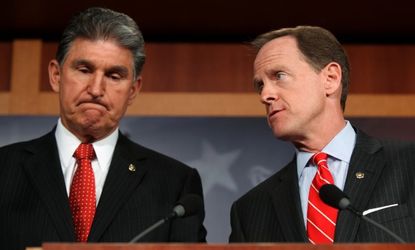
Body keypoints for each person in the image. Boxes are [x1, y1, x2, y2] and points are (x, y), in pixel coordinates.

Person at [0, 7, 206, 250]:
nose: (96, 89)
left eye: (114, 76)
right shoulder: (4, 169)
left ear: (133, 90)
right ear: (56, 76)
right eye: (84, 70)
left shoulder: (175, 184)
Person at [229, 26, 415, 243]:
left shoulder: (409, 163)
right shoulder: (250, 210)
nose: (265, 95)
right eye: (260, 85)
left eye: (279, 75)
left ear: (331, 78)